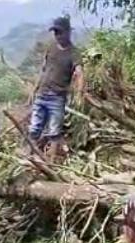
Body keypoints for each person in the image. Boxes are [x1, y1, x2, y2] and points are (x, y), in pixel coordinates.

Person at [29, 16, 84, 158]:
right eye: (55, 32)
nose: (57, 35)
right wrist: (34, 89)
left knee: (54, 130)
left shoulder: (74, 53)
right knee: (35, 127)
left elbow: (79, 73)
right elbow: (43, 69)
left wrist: (79, 94)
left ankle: (50, 162)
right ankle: (31, 156)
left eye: (59, 32)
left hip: (57, 96)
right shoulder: (51, 47)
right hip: (42, 93)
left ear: (68, 32)